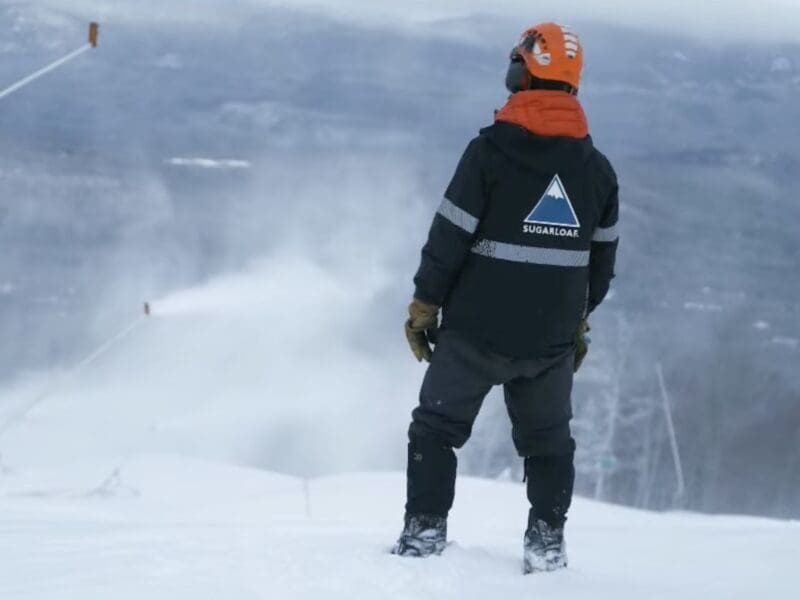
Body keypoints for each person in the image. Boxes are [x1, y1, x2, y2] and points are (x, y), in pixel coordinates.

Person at [391, 23, 619, 574]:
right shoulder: (597, 172)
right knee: (549, 443)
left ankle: (423, 537)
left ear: (524, 72)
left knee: (435, 430)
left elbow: (448, 240)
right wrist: (577, 323)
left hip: (474, 333)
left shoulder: (488, 154)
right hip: (549, 344)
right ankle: (546, 547)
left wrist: (424, 307)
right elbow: (601, 267)